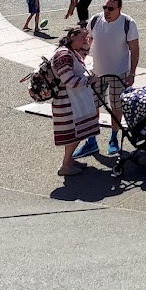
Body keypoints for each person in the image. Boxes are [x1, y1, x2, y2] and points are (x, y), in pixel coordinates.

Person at [75, 0, 140, 158]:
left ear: (119, 9)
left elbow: (135, 49)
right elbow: (88, 40)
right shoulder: (96, 20)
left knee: (116, 107)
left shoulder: (128, 23)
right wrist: (80, 57)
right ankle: (91, 142)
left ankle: (113, 138)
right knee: (92, 107)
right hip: (97, 72)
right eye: (105, 7)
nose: (106, 11)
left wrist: (132, 73)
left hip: (120, 73)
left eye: (111, 8)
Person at [52, 27, 99, 177]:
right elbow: (69, 80)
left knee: (77, 132)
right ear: (72, 36)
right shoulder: (64, 54)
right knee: (74, 133)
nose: (85, 40)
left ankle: (69, 161)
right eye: (82, 37)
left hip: (73, 101)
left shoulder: (70, 52)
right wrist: (89, 80)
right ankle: (65, 165)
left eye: (87, 38)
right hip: (67, 103)